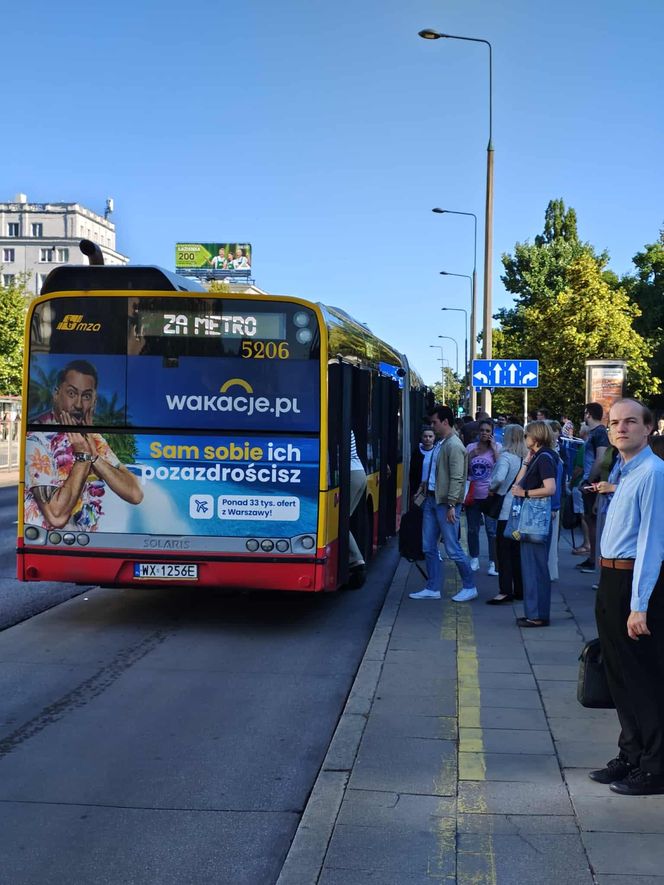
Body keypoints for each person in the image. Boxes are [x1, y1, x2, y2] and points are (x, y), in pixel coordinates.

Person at [589, 399, 664, 796]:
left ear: (648, 428)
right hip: (612, 579)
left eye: (631, 422)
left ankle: (655, 766)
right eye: (615, 422)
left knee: (642, 679)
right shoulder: (627, 470)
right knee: (618, 675)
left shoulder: (652, 473)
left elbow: (652, 543)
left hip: (634, 583)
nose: (621, 428)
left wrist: (640, 605)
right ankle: (632, 754)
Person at [25, 360, 143, 531]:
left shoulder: (89, 435)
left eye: (86, 396)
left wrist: (94, 457)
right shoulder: (37, 437)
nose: (79, 405)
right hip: (52, 547)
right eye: (72, 393)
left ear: (94, 401)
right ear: (56, 394)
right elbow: (56, 516)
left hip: (86, 544)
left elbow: (135, 494)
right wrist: (83, 458)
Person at [409, 405, 477, 602]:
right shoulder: (442, 442)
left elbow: (457, 478)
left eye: (435, 422)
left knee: (452, 548)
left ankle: (470, 586)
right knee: (428, 546)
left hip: (445, 503)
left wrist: (452, 506)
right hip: (432, 499)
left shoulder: (453, 445)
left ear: (445, 422)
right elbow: (433, 471)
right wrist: (422, 488)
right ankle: (432, 587)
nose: (432, 426)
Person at [510, 420, 558, 627]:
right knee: (532, 567)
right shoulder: (540, 456)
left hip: (535, 520)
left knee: (535, 568)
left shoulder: (545, 458)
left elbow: (550, 488)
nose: (524, 439)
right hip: (534, 520)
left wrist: (525, 493)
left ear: (535, 437)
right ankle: (534, 612)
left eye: (526, 435)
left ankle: (537, 615)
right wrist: (526, 463)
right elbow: (517, 483)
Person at [486, 424, 527, 604]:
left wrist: (492, 488)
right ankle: (520, 589)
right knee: (517, 552)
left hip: (506, 510)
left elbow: (499, 478)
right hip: (521, 508)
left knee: (503, 552)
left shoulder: (506, 457)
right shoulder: (526, 458)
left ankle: (505, 590)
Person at [577, 402, 609, 574]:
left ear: (588, 414)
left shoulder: (600, 433)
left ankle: (595, 560)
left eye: (585, 413)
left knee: (593, 522)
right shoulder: (594, 433)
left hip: (593, 483)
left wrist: (588, 481)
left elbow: (600, 458)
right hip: (590, 482)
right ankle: (592, 558)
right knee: (589, 520)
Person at [465, 419, 500, 576]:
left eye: (488, 430)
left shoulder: (497, 448)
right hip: (473, 495)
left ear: (492, 433)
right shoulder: (470, 447)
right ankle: (474, 558)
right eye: (482, 430)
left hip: (490, 495)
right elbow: (463, 470)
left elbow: (501, 469)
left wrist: (494, 450)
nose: (485, 433)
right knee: (472, 529)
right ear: (478, 432)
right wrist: (471, 455)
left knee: (492, 531)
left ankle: (493, 562)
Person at [347, 429, 368, 587]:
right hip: (358, 472)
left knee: (339, 522)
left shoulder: (332, 422)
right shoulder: (345, 423)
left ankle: (356, 561)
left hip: (351, 474)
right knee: (343, 520)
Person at [545, 420, 565, 582]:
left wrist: (554, 506)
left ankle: (547, 573)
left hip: (549, 504)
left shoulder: (551, 456)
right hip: (550, 504)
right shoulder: (552, 455)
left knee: (548, 545)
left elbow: (556, 484)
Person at [409, 426, 436, 502]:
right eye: (425, 436)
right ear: (421, 437)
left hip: (432, 489)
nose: (428, 439)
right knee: (419, 509)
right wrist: (413, 491)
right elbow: (412, 473)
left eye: (430, 436)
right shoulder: (417, 452)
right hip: (419, 490)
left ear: (434, 437)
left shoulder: (437, 451)